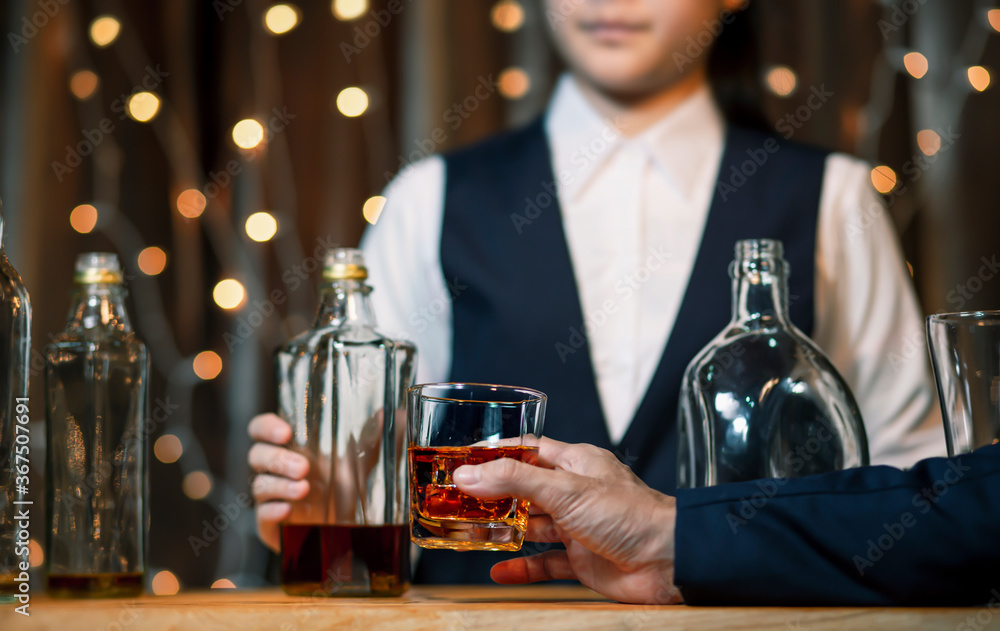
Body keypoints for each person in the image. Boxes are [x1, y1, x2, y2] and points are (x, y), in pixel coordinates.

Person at [249, 0, 946, 582]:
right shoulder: (426, 199)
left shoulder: (831, 200)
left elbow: (910, 488)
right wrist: (329, 511)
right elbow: (365, 484)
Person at [444, 435, 1000, 606]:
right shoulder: (431, 194)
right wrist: (668, 548)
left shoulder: (830, 189)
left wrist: (669, 536)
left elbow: (947, 493)